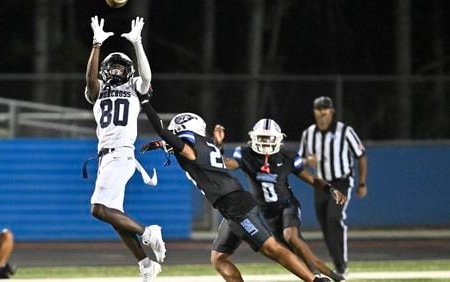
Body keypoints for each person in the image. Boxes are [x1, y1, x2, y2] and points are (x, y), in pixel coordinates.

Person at [139, 96, 331, 282]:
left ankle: (314, 280)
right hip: (232, 207)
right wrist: (159, 144)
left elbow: (163, 132)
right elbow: (175, 143)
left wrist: (146, 102)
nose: (175, 138)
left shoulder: (192, 148)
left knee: (272, 248)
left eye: (177, 133)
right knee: (219, 258)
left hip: (237, 207)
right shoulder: (206, 144)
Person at [212, 119, 347, 282]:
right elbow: (226, 164)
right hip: (267, 213)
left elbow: (311, 178)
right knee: (293, 253)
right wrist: (218, 146)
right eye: (262, 137)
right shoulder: (245, 153)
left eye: (269, 138)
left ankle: (316, 278)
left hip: (287, 206)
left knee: (291, 236)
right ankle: (335, 277)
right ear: (254, 138)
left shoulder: (288, 156)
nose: (265, 142)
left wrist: (330, 189)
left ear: (278, 139)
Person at [84, 15, 165, 281]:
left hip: (121, 154)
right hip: (105, 158)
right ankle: (146, 265)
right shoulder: (97, 90)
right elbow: (90, 80)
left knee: (98, 208)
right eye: (113, 67)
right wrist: (97, 44)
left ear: (128, 71)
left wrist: (137, 43)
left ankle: (149, 233)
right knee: (114, 217)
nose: (117, 71)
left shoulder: (134, 88)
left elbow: (147, 76)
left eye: (122, 67)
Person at [298, 96, 368, 276]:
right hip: (321, 184)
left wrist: (361, 183)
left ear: (331, 111)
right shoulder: (309, 133)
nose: (322, 113)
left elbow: (360, 155)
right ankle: (338, 266)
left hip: (341, 181)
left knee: (333, 218)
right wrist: (307, 160)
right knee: (325, 225)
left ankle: (342, 266)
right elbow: (299, 161)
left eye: (325, 109)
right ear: (314, 112)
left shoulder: (345, 131)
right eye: (318, 109)